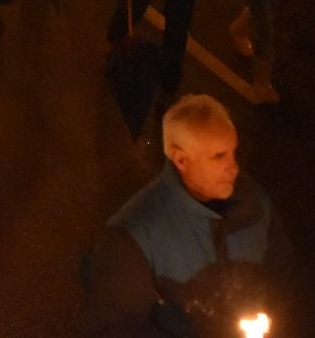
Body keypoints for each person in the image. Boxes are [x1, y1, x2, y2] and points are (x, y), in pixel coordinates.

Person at [83, 94, 290, 335]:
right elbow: (120, 329)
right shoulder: (132, 237)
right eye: (219, 156)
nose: (234, 167)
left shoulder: (254, 200)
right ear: (181, 159)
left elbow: (284, 272)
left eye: (234, 152)